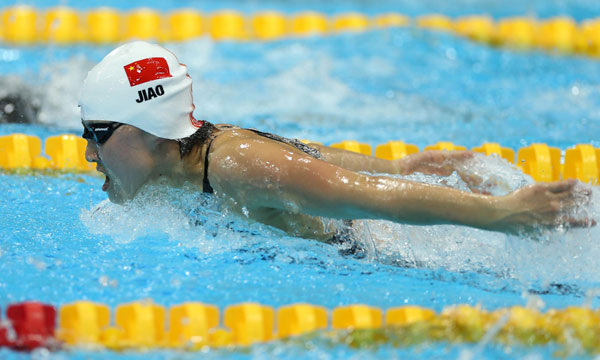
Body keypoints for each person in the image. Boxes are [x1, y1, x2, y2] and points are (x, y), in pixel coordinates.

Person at [79, 41, 592, 243]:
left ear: (145, 130)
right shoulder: (193, 162)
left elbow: (364, 197)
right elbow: (314, 160)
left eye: (95, 135)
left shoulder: (235, 165)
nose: (87, 154)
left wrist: (502, 213)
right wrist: (402, 165)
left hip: (382, 248)